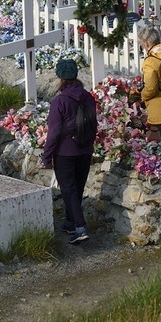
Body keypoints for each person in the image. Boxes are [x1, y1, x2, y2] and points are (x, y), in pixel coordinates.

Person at [42, 58, 97, 243]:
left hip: (65, 152)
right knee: (77, 188)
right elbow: (93, 124)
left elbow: (54, 132)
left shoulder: (60, 101)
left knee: (68, 190)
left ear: (60, 78)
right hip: (85, 150)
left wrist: (46, 156)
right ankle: (69, 222)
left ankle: (80, 228)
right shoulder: (88, 97)